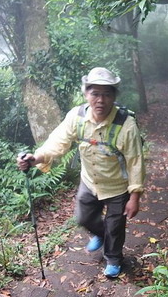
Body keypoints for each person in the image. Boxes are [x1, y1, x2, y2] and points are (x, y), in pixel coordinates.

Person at [16, 67, 145, 278]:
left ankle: (113, 258)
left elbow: (135, 161)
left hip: (117, 186)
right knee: (84, 216)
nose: (100, 100)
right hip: (89, 181)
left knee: (115, 225)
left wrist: (135, 196)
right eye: (95, 93)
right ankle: (102, 235)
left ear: (114, 96)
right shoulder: (76, 117)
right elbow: (57, 143)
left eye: (107, 94)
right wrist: (35, 158)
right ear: (86, 94)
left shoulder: (126, 125)